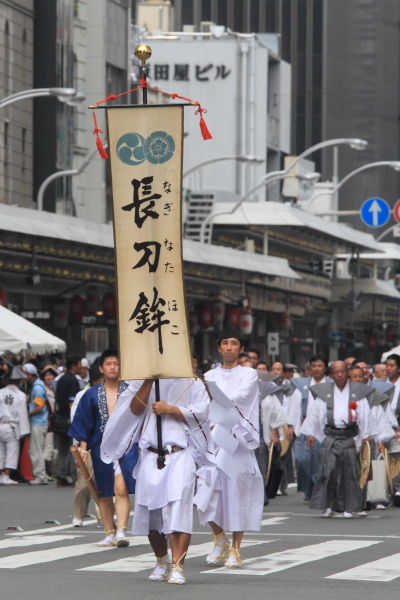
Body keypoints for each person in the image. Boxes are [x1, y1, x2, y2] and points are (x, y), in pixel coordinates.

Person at [101, 374, 210, 585]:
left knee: (179, 508)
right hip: (150, 455)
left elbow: (202, 412)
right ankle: (162, 560)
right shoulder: (142, 381)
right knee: (152, 512)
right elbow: (134, 409)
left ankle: (178, 566)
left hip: (180, 454)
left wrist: (171, 409)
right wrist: (149, 380)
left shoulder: (192, 381)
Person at [195, 323, 264, 569]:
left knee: (237, 493)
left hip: (237, 440)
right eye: (225, 343)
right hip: (213, 440)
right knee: (206, 492)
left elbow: (240, 400)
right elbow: (201, 403)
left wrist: (210, 394)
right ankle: (219, 538)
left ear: (241, 348)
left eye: (234, 343)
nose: (229, 347)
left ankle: (236, 548)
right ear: (218, 348)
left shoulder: (249, 373)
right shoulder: (210, 374)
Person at [69, 349, 138, 547]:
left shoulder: (131, 392)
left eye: (116, 364)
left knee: (121, 489)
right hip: (100, 448)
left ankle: (122, 531)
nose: (113, 367)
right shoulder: (91, 394)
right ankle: (109, 532)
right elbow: (84, 424)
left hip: (126, 447)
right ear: (101, 368)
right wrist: (82, 450)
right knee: (104, 492)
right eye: (109, 364)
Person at [302, 360, 371, 518]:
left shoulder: (357, 392)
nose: (340, 375)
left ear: (347, 373)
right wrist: (312, 434)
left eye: (342, 371)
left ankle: (350, 507)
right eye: (336, 372)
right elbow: (315, 416)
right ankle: (328, 506)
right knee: (328, 470)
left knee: (350, 473)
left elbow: (364, 417)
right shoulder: (324, 393)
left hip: (349, 436)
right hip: (331, 436)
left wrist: (364, 437)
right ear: (331, 375)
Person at [70, 364, 104, 527]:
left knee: (105, 483)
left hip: (106, 445)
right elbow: (77, 421)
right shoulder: (83, 395)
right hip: (87, 445)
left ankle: (102, 517)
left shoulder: (113, 393)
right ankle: (79, 514)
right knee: (84, 483)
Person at [292, 354, 328, 501]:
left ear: (325, 367)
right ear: (310, 368)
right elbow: (294, 407)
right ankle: (307, 489)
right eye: (314, 366)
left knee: (320, 460)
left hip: (325, 428)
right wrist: (291, 426)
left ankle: (318, 490)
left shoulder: (331, 384)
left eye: (320, 365)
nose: (317, 368)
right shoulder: (302, 385)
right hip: (305, 426)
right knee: (302, 460)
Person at [55, 354, 81, 487]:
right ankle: (75, 476)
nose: (80, 367)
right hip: (70, 420)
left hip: (60, 418)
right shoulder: (73, 381)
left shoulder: (61, 379)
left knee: (62, 448)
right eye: (79, 365)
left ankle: (59, 476)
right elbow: (72, 403)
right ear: (73, 366)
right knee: (74, 448)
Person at [0, 367, 30, 485]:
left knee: (0, 451)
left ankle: (1, 475)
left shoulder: (0, 392)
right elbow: (22, 413)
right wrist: (24, 431)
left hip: (1, 424)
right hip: (12, 426)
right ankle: (7, 476)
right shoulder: (21, 395)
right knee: (12, 451)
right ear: (18, 381)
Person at [23, 363, 49, 486]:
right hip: (40, 421)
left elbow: (39, 406)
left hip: (38, 422)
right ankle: (41, 475)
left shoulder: (37, 387)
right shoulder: (37, 385)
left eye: (25, 373)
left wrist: (28, 415)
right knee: (36, 449)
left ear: (30, 374)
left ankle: (40, 476)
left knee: (35, 450)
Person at [384, 354, 400, 504]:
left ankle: (397, 490)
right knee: (385, 458)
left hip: (398, 425)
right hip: (384, 425)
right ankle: (386, 489)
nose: (388, 368)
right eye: (386, 365)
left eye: (392, 365)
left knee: (397, 458)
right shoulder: (381, 385)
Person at [41, 365, 58, 481]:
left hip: (54, 420)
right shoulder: (42, 389)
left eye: (51, 375)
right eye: (47, 375)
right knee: (48, 446)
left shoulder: (55, 388)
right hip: (45, 420)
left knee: (51, 447)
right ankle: (45, 471)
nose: (49, 377)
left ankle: (50, 471)